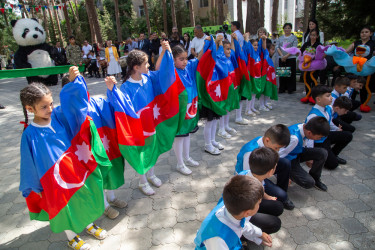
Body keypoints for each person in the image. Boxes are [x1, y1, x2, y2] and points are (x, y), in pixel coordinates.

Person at [19, 67, 109, 250]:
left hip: (74, 169)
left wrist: (73, 82)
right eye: (44, 107)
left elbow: (73, 105)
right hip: (54, 180)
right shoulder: (29, 134)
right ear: (30, 109)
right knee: (64, 206)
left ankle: (88, 223)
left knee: (83, 195)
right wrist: (35, 186)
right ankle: (72, 236)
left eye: (51, 103)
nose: (50, 109)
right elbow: (28, 163)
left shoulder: (59, 115)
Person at [118, 41, 177, 195]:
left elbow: (160, 70)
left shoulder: (147, 78)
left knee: (151, 150)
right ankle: (142, 182)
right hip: (139, 128)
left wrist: (165, 52)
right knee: (142, 154)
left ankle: (151, 175)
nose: (149, 66)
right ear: (136, 67)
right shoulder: (125, 88)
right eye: (145, 63)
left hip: (151, 124)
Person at [194, 175, 272, 249]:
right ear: (247, 213)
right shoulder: (218, 240)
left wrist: (259, 235)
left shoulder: (232, 209)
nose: (260, 205)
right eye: (259, 203)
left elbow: (243, 225)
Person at [235, 124, 295, 210]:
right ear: (267, 140)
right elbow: (249, 178)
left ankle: (281, 192)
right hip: (251, 177)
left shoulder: (268, 143)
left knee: (285, 163)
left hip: (262, 171)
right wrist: (264, 194)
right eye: (276, 148)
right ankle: (279, 196)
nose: (277, 151)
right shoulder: (250, 152)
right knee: (282, 196)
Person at [305, 85, 353, 169]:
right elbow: (310, 137)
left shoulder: (327, 108)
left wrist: (336, 129)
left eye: (331, 95)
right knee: (333, 165)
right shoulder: (313, 115)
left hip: (326, 135)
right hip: (318, 141)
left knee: (348, 135)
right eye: (328, 96)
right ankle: (326, 156)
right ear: (318, 99)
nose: (331, 98)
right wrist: (310, 156)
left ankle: (334, 154)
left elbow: (329, 122)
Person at [171, 45, 201, 175]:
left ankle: (187, 158)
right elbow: (159, 68)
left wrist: (208, 43)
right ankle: (180, 163)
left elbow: (200, 57)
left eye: (185, 58)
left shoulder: (188, 67)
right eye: (180, 59)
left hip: (191, 108)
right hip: (180, 110)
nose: (184, 61)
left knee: (187, 134)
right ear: (173, 60)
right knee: (179, 137)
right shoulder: (172, 71)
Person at [239, 147, 284, 234]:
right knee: (275, 223)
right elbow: (242, 220)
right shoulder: (250, 191)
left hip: (249, 207)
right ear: (271, 172)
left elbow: (261, 188)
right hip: (242, 216)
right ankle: (242, 239)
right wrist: (259, 235)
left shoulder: (250, 174)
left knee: (278, 206)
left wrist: (268, 197)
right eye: (275, 166)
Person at [280, 117, 330, 191]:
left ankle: (315, 178)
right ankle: (289, 175)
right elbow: (278, 155)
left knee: (322, 153)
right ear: (310, 133)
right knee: (308, 182)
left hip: (297, 152)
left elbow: (305, 145)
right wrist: (281, 174)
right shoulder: (294, 138)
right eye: (319, 137)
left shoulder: (304, 127)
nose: (320, 139)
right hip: (288, 159)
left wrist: (309, 158)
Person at [346, 26, 375, 104]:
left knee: (364, 85)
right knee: (353, 83)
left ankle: (363, 103)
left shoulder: (372, 43)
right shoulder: (356, 43)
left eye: (366, 32)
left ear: (370, 33)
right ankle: (350, 102)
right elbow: (347, 51)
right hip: (356, 66)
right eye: (362, 32)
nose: (364, 34)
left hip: (366, 67)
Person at [276, 23, 298, 94]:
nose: (287, 29)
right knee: (282, 73)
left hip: (290, 57)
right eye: (286, 28)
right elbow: (277, 47)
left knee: (290, 74)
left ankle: (290, 88)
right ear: (283, 29)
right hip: (282, 57)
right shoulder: (280, 38)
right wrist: (282, 56)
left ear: (291, 29)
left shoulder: (294, 38)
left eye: (289, 28)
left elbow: (294, 48)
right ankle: (282, 88)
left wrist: (286, 56)